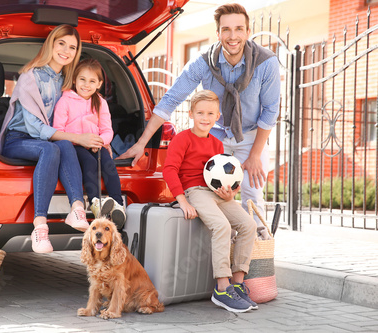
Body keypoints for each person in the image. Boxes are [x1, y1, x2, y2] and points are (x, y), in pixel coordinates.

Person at [118, 3, 281, 225]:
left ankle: (257, 251)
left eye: (238, 29)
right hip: (215, 136)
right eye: (226, 30)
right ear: (218, 33)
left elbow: (271, 110)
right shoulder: (204, 61)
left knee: (252, 194)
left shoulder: (266, 62)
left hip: (251, 136)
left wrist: (254, 155)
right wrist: (142, 142)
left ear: (247, 32)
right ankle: (219, 244)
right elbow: (171, 99)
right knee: (213, 193)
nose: (232, 36)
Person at [0, 25, 105, 254]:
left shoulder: (66, 81)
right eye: (61, 43)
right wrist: (79, 138)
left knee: (62, 145)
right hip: (18, 139)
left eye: (72, 47)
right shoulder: (30, 76)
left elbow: (76, 114)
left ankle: (77, 207)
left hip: (48, 140)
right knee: (52, 149)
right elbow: (36, 128)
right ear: (51, 44)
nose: (66, 50)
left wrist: (99, 137)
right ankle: (39, 227)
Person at [163, 90, 257, 313]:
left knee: (248, 225)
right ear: (191, 114)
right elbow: (169, 170)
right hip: (194, 191)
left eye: (210, 114)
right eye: (200, 113)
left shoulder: (216, 144)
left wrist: (229, 194)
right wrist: (183, 201)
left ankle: (237, 283)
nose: (205, 118)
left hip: (216, 193)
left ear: (217, 117)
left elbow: (225, 176)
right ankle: (222, 288)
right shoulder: (182, 139)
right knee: (222, 226)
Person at [53, 58, 126, 228]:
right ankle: (94, 202)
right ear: (74, 80)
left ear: (99, 84)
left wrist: (99, 142)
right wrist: (79, 140)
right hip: (73, 146)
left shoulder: (101, 102)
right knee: (89, 162)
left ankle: (117, 204)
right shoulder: (65, 101)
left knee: (108, 163)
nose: (86, 85)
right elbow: (58, 129)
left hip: (96, 145)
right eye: (82, 79)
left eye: (92, 81)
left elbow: (108, 130)